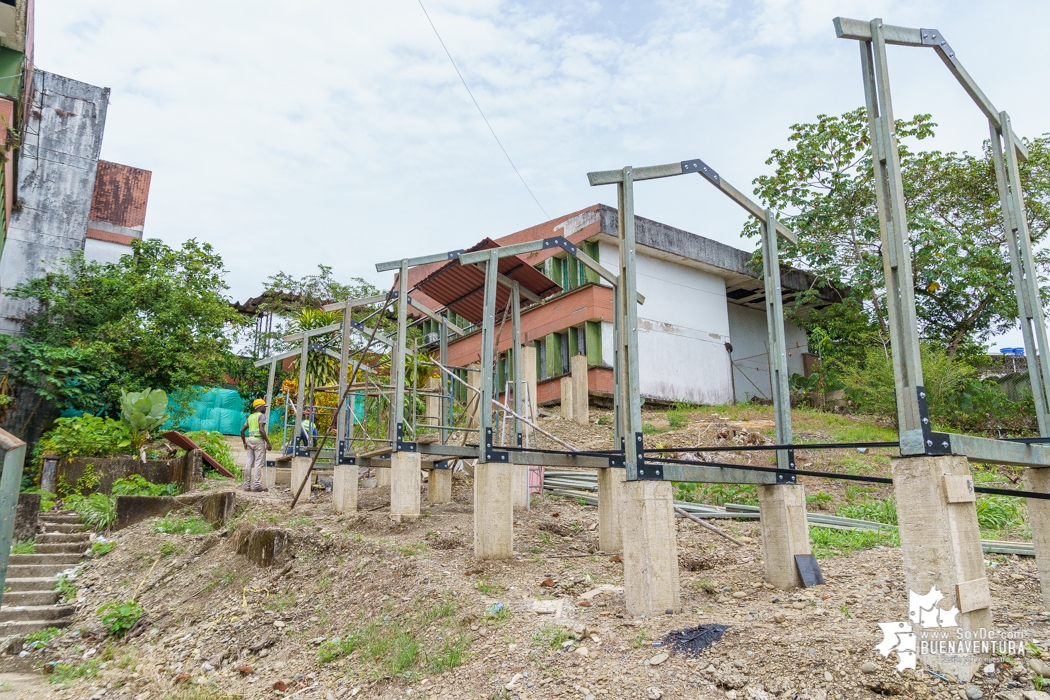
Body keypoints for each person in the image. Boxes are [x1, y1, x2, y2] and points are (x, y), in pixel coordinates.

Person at [240, 399, 272, 492]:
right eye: (264, 407)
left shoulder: (250, 417)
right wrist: (268, 442)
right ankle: (256, 485)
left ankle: (246, 485)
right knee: (258, 463)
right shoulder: (261, 416)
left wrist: (244, 443)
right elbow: (261, 430)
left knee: (249, 462)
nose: (265, 408)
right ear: (260, 407)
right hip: (258, 441)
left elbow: (242, 431)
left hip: (250, 440)